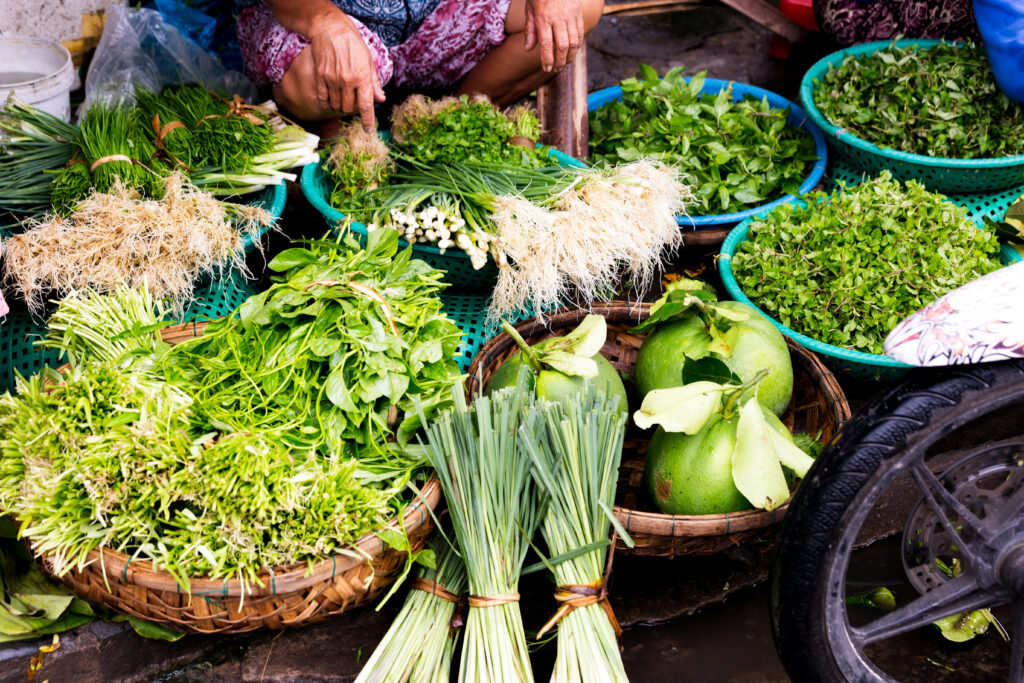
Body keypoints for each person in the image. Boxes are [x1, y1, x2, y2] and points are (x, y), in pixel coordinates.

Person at [236, 0, 604, 133]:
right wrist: (323, 22)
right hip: (321, 15)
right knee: (313, 79)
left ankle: (448, 118)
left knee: (578, 4)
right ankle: (337, 137)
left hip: (436, 20)